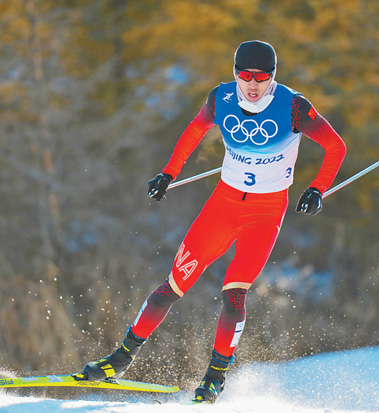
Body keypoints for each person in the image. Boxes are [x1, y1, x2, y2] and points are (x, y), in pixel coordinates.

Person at [75, 40, 346, 403]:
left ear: (273, 77)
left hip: (265, 214)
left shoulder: (294, 107)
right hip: (223, 205)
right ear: (234, 72)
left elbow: (336, 146)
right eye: (244, 75)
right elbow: (194, 130)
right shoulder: (221, 98)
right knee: (173, 284)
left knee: (234, 294)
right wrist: (168, 173)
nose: (251, 84)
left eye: (260, 77)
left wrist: (317, 188)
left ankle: (215, 377)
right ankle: (120, 359)